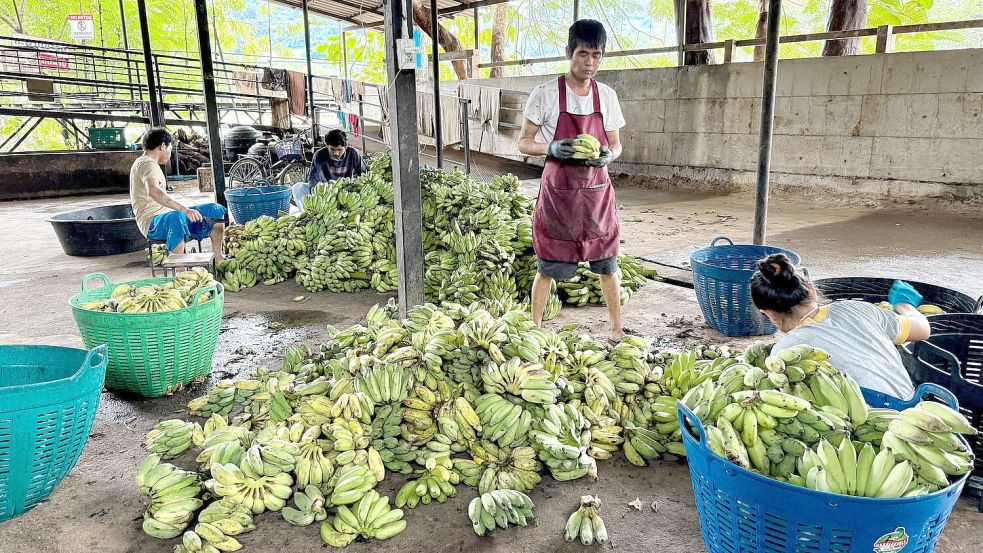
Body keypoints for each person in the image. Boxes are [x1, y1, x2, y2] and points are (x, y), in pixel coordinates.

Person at [517, 19, 626, 341]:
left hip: (596, 196)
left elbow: (616, 143)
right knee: (548, 267)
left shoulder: (606, 96)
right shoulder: (545, 94)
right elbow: (523, 142)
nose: (589, 63)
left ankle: (617, 328)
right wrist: (550, 147)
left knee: (608, 264)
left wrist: (610, 155)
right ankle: (535, 326)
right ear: (569, 52)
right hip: (559, 196)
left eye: (596, 55)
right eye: (582, 54)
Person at [750, 253, 931, 398]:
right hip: (914, 405)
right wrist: (903, 304)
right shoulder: (858, 308)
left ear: (769, 315)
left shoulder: (784, 354)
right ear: (811, 289)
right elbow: (923, 330)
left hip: (870, 424)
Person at [130, 127, 226, 262]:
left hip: (165, 214)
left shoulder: (148, 163)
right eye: (170, 148)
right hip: (152, 222)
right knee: (177, 216)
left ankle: (218, 256)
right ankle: (180, 268)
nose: (170, 153)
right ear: (163, 145)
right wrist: (185, 209)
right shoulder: (147, 163)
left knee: (214, 209)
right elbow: (153, 191)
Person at [292, 129, 368, 212]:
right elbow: (313, 177)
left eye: (339, 150)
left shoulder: (353, 153)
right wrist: (314, 195)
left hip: (346, 193)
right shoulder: (320, 155)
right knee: (298, 187)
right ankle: (308, 213)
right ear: (327, 146)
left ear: (345, 147)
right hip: (326, 192)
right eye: (332, 149)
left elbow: (364, 173)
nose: (336, 153)